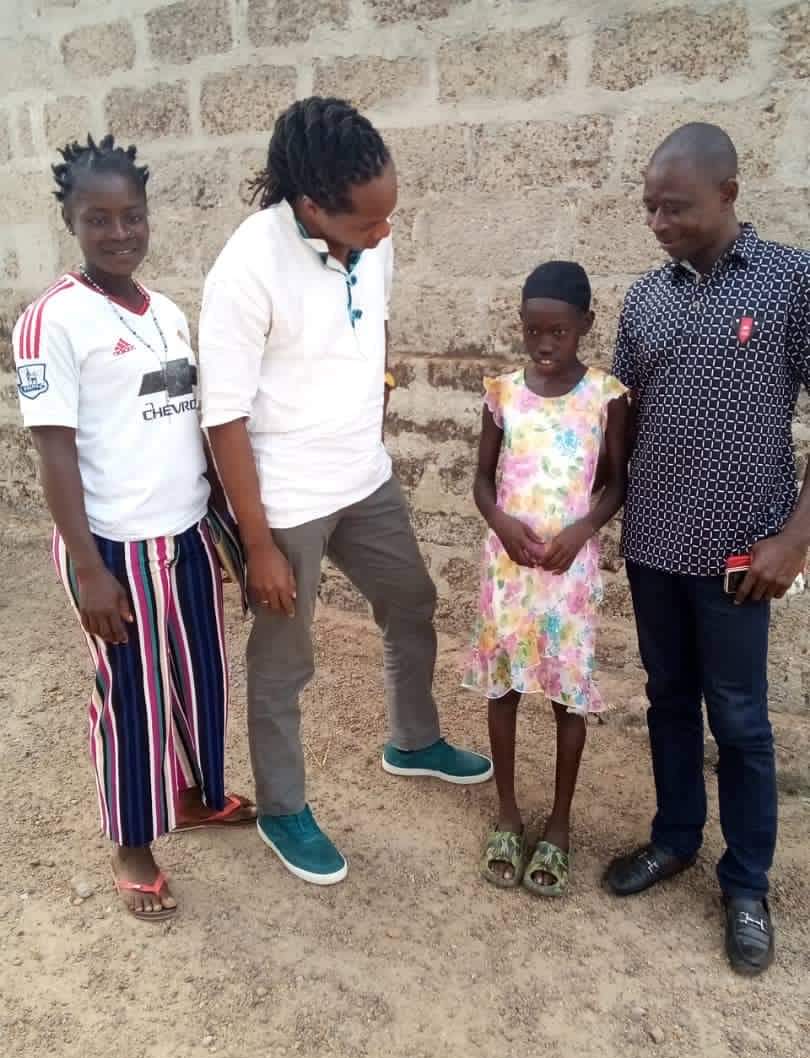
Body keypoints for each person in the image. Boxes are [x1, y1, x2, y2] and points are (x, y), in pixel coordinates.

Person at [198, 96, 493, 887]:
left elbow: (374, 329)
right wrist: (258, 545)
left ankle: (413, 740)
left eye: (388, 215)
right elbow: (224, 417)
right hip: (285, 499)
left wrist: (375, 411)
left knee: (410, 600)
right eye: (368, 221)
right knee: (284, 659)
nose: (384, 233)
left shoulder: (369, 241)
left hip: (363, 476)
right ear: (311, 204)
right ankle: (283, 808)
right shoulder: (246, 269)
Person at [13, 135, 255, 922]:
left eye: (133, 216)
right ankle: (131, 843)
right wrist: (88, 569)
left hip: (186, 534)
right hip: (113, 544)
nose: (120, 233)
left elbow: (190, 424)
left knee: (201, 679)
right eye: (99, 218)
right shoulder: (51, 321)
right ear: (72, 222)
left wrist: (228, 529)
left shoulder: (169, 314)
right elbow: (54, 452)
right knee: (133, 696)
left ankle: (196, 795)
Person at [605, 122, 810, 975]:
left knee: (741, 719)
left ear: (728, 194)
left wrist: (792, 540)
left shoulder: (791, 280)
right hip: (654, 544)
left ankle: (747, 884)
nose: (659, 222)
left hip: (741, 559)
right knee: (668, 701)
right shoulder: (644, 300)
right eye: (650, 207)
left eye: (676, 207)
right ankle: (675, 838)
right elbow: (620, 425)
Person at [463, 261, 630, 895]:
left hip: (568, 572)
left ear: (585, 324)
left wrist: (582, 531)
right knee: (503, 688)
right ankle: (508, 815)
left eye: (558, 331)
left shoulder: (606, 397)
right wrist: (501, 523)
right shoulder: (502, 393)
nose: (544, 343)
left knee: (567, 696)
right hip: (509, 569)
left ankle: (558, 825)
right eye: (533, 330)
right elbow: (483, 479)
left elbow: (616, 482)